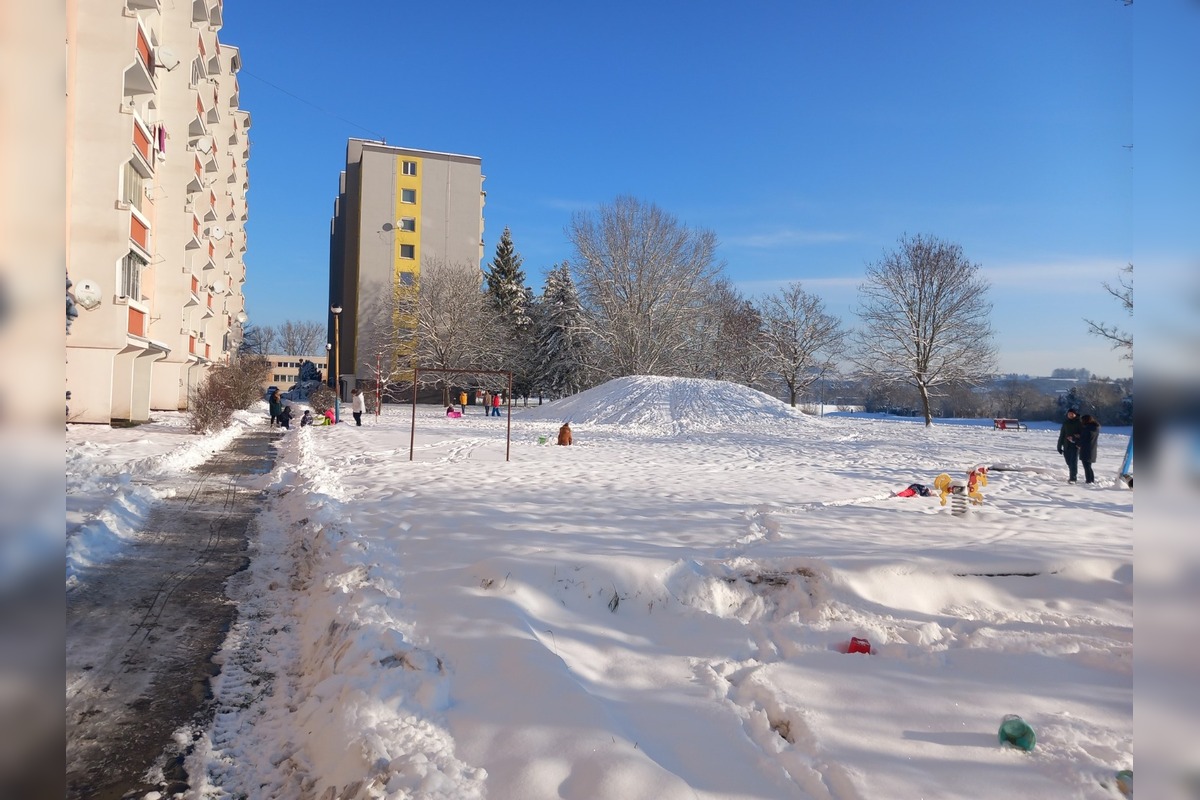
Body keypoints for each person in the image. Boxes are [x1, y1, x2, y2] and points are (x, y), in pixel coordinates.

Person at [1057, 407, 1083, 483]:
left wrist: (1075, 437)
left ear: (1075, 414)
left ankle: (1073, 478)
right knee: (1068, 462)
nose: (1070, 415)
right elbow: (1062, 434)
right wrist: (1059, 446)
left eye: (1072, 414)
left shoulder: (1079, 422)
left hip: (1075, 445)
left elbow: (1083, 434)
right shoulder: (1066, 423)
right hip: (1066, 445)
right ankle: (1072, 474)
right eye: (1069, 414)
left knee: (1073, 462)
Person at [1078, 414, 1101, 484]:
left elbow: (1084, 439)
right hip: (1092, 449)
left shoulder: (1087, 429)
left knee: (1087, 466)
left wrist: (1077, 440)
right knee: (1089, 466)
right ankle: (1091, 480)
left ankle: (1089, 480)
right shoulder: (1095, 428)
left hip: (1086, 449)